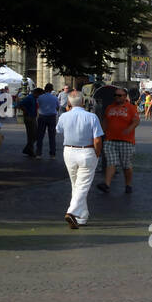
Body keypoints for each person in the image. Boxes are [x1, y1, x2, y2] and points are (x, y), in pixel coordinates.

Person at [57, 92, 104, 228]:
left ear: (69, 103)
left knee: (76, 184)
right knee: (82, 185)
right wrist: (97, 153)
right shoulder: (92, 116)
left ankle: (82, 216)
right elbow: (97, 139)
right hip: (87, 151)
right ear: (83, 102)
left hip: (69, 151)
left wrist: (67, 112)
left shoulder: (64, 116)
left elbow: (58, 130)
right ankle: (72, 212)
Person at [98, 87, 140, 195]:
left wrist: (130, 129)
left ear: (125, 97)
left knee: (126, 165)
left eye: (120, 95)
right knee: (111, 162)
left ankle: (128, 184)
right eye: (115, 95)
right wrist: (100, 133)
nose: (117, 97)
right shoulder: (109, 108)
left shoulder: (131, 108)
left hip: (126, 141)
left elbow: (136, 121)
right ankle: (107, 185)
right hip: (110, 140)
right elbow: (105, 121)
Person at [36, 82, 60, 157]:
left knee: (40, 136)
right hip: (52, 117)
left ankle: (38, 153)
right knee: (52, 136)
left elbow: (37, 105)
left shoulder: (40, 97)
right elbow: (57, 107)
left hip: (42, 116)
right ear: (51, 90)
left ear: (45, 89)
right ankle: (52, 153)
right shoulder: (55, 98)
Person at [17, 86, 39, 157]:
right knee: (32, 135)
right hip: (29, 117)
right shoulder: (29, 98)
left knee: (34, 135)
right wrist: (26, 111)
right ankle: (29, 150)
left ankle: (28, 149)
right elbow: (20, 104)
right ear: (36, 93)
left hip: (32, 117)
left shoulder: (33, 98)